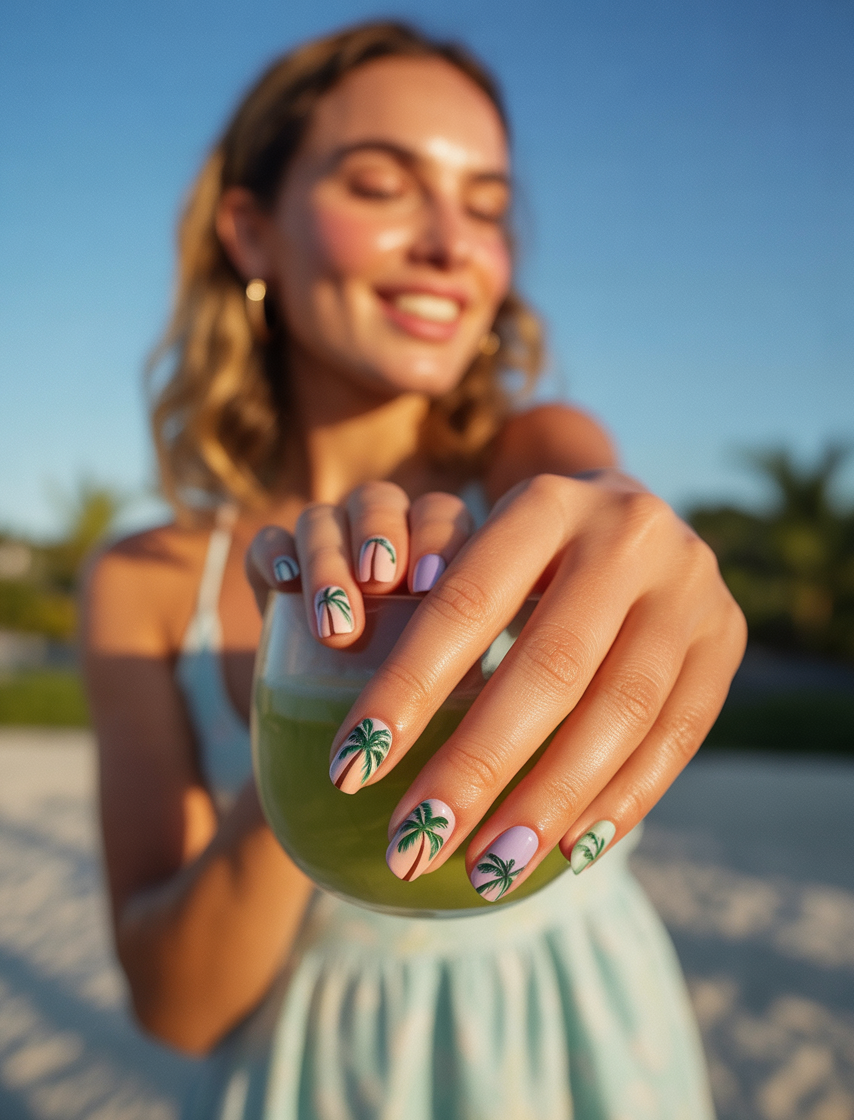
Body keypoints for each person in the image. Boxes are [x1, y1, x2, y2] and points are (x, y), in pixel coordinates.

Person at [83, 21, 745, 1120]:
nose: (449, 243)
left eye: (484, 205)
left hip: (579, 1051)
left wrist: (658, 558)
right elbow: (174, 1005)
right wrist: (302, 722)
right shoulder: (144, 581)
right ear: (248, 230)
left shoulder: (530, 466)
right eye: (382, 185)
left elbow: (616, 512)